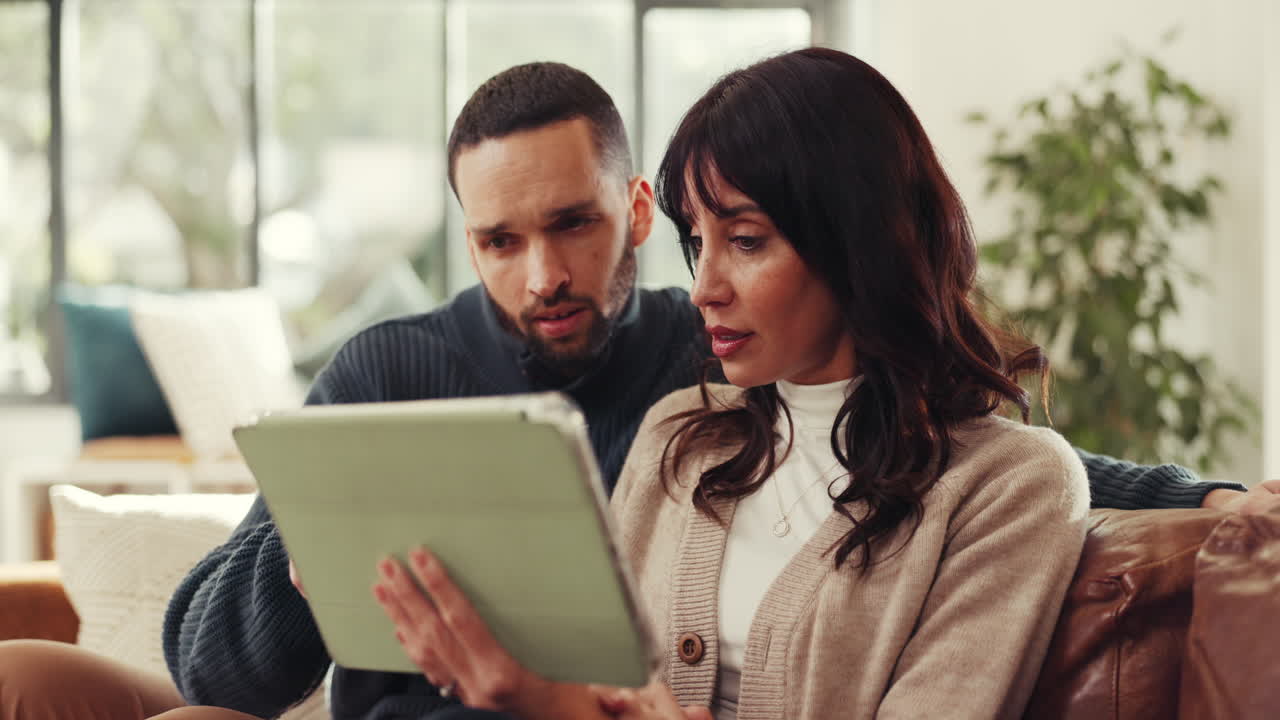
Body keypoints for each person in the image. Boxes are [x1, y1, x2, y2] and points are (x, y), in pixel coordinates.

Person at [0, 58, 1273, 720]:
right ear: (466, 241)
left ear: (633, 209)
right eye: (498, 241)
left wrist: (1218, 496)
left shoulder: (707, 369)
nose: (542, 275)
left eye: (573, 225)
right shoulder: (412, 376)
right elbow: (210, 662)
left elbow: (976, 456)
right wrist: (320, 558)